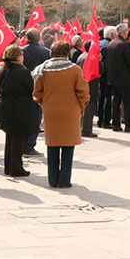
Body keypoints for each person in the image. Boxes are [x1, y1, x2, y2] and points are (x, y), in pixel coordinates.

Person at [32, 40, 90, 188]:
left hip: (50, 112)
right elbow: (83, 92)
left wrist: (44, 103)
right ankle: (64, 180)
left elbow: (37, 93)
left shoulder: (42, 70)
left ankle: (52, 179)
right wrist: (80, 107)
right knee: (68, 147)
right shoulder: (75, 69)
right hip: (71, 112)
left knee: (52, 146)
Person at [0, 44, 39, 177]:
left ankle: (9, 166)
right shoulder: (23, 72)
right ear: (16, 57)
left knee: (10, 139)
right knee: (19, 140)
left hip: (7, 108)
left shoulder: (4, 70)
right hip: (21, 109)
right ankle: (16, 167)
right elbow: (31, 89)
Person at [108, 23, 130, 133]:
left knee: (116, 101)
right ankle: (129, 125)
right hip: (125, 78)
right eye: (127, 30)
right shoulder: (125, 44)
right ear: (124, 32)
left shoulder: (111, 43)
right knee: (127, 102)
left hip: (113, 78)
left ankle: (116, 124)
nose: (128, 32)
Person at [22, 28, 50, 156]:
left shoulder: (20, 51)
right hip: (39, 88)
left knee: (23, 117)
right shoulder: (45, 52)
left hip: (21, 88)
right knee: (36, 118)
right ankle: (29, 146)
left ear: (26, 38)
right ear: (39, 38)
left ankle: (22, 144)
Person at [76, 39, 101, 138]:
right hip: (90, 86)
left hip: (82, 85)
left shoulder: (81, 56)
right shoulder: (92, 58)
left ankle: (81, 127)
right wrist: (99, 61)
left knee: (83, 109)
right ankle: (86, 130)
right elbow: (99, 72)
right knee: (89, 109)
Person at [97, 26, 116, 128]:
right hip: (107, 75)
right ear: (112, 34)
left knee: (101, 98)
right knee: (107, 98)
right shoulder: (109, 46)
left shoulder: (100, 44)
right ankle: (106, 121)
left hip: (100, 74)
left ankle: (100, 119)